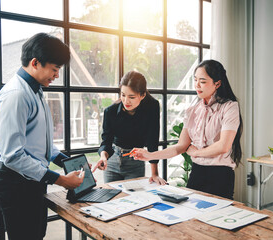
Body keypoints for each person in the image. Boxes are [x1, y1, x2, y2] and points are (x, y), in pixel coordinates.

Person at [0, 33, 84, 240]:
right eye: (54, 69)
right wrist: (60, 179)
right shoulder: (16, 96)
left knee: (36, 235)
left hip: (30, 181)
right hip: (15, 184)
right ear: (35, 62)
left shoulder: (35, 91)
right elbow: (13, 156)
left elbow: (40, 145)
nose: (57, 75)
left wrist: (66, 162)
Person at [132, 60, 243, 199]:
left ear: (218, 83)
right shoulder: (192, 110)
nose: (197, 85)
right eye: (195, 80)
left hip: (220, 175)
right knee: (191, 217)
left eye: (202, 81)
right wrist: (150, 155)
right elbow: (180, 146)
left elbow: (224, 146)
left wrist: (197, 153)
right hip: (197, 173)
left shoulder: (230, 107)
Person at [92, 71, 166, 185]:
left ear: (142, 95)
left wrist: (154, 174)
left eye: (131, 97)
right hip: (112, 160)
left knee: (134, 198)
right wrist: (103, 157)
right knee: (112, 199)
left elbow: (152, 140)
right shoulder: (110, 111)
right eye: (123, 95)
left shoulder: (152, 107)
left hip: (135, 162)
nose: (126, 101)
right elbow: (106, 141)